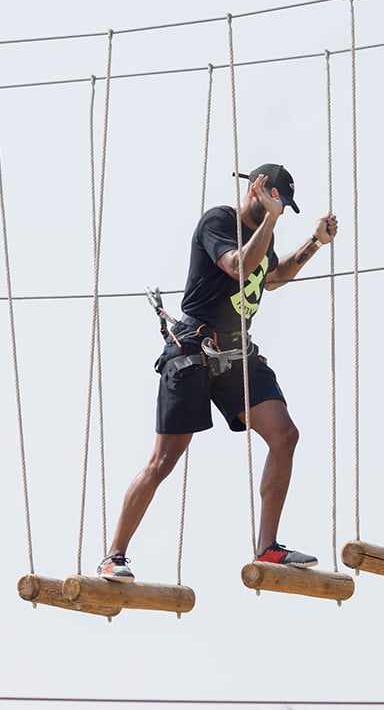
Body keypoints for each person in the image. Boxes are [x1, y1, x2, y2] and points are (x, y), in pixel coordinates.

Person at [99, 163, 339, 582]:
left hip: (236, 353)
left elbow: (270, 277)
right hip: (193, 346)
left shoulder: (267, 230)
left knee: (285, 435)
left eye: (281, 204)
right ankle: (113, 556)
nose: (276, 209)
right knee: (163, 460)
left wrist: (314, 243)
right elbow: (240, 267)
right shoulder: (218, 220)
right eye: (275, 199)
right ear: (258, 189)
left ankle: (267, 548)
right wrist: (271, 218)